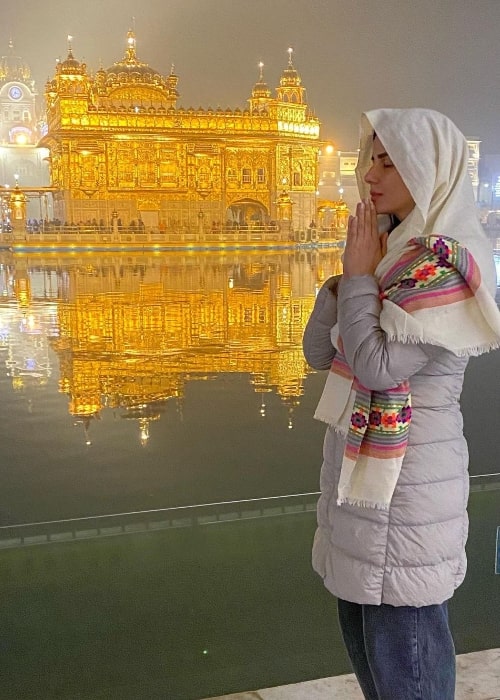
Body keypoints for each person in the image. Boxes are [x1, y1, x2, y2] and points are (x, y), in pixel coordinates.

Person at [302, 108, 500, 700]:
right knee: (366, 639)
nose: (370, 173)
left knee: (406, 654)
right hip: (362, 490)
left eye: (390, 161)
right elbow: (318, 352)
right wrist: (344, 280)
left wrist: (361, 277)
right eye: (371, 158)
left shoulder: (444, 263)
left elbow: (377, 367)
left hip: (408, 493)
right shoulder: (390, 255)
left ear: (429, 169)